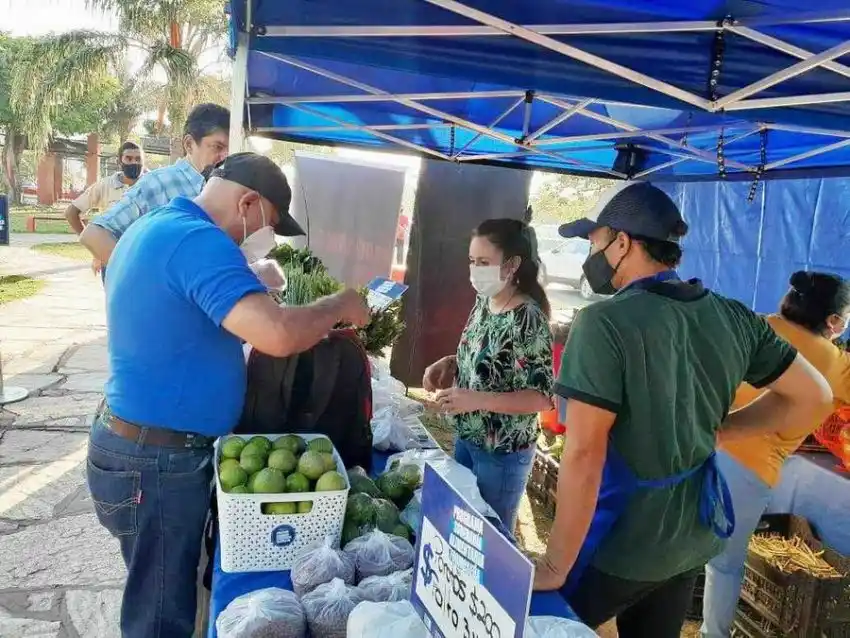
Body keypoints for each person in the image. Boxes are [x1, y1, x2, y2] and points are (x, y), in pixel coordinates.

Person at [85, 152, 370, 638]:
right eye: (269, 225)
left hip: (140, 446)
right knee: (158, 616)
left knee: (164, 597)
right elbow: (276, 335)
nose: (261, 237)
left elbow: (192, 325)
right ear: (248, 202)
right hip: (154, 462)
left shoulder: (159, 224)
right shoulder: (197, 241)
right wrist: (339, 303)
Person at [531, 182, 833, 638]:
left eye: (593, 243)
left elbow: (584, 454)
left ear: (623, 242)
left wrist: (554, 563)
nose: (589, 256)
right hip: (691, 537)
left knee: (540, 628)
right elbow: (816, 395)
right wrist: (724, 431)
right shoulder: (734, 317)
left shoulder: (603, 323)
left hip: (622, 544)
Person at [701, 271, 850, 637]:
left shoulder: (756, 326)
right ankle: (712, 634)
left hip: (699, 446)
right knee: (723, 565)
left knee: (677, 547)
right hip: (749, 470)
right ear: (833, 320)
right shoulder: (836, 363)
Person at [423, 218, 554, 532]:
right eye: (471, 261)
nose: (474, 270)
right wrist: (450, 363)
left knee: (491, 537)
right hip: (467, 437)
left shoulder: (527, 319)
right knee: (464, 525)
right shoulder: (484, 301)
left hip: (502, 452)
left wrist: (477, 399)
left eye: (484, 262)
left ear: (512, 265)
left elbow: (540, 396)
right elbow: (488, 356)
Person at [79, 103, 230, 273]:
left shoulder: (220, 188)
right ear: (189, 144)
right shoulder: (158, 183)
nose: (224, 156)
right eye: (218, 147)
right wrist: (145, 281)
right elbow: (94, 234)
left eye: (228, 149)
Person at [65, 141, 145, 236]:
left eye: (138, 159)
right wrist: (91, 242)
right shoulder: (105, 185)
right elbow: (71, 212)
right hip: (114, 247)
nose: (134, 163)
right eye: (129, 158)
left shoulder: (152, 184)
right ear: (119, 161)